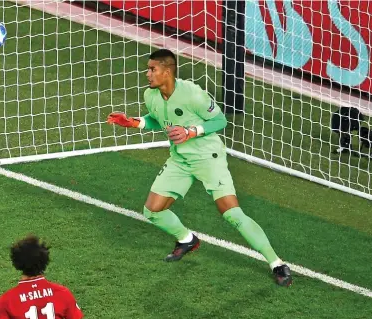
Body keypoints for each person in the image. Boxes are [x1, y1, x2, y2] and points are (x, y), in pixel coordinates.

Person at [107, 49, 292, 286]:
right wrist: (133, 122)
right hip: (180, 159)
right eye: (148, 69)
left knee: (232, 214)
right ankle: (187, 239)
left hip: (208, 157)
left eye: (152, 69)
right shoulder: (150, 95)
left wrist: (190, 132)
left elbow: (220, 120)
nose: (148, 74)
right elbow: (157, 118)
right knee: (152, 211)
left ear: (167, 70)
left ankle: (277, 263)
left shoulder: (192, 93)